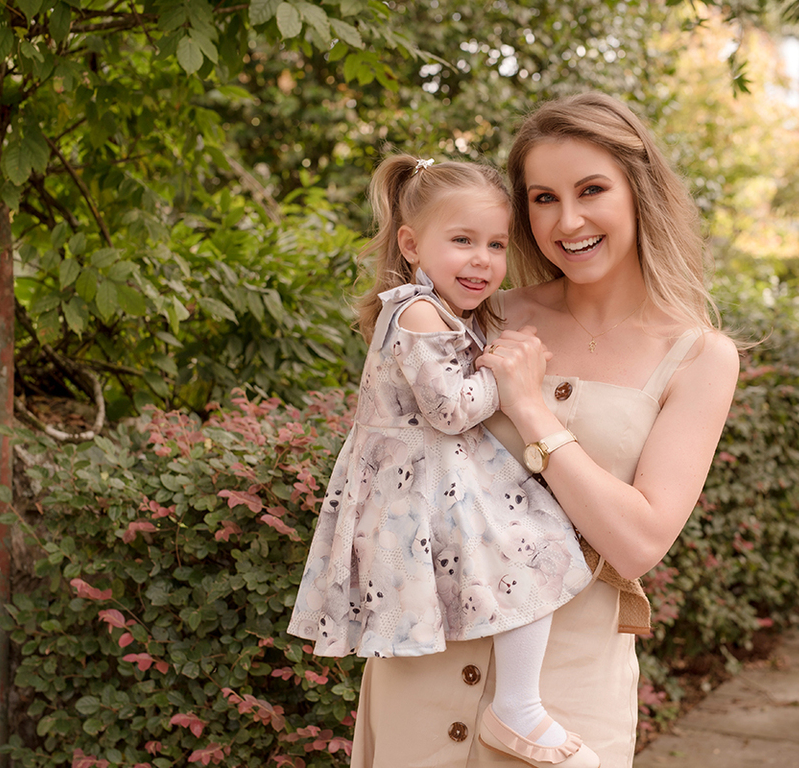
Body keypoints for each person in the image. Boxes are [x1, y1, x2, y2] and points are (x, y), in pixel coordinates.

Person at [348, 92, 740, 768]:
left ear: (639, 191)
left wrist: (531, 409)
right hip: (424, 665)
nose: (569, 220)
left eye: (592, 190)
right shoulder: (475, 313)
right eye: (543, 198)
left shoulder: (699, 356)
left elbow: (639, 541)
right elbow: (391, 446)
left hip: (562, 697)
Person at [287, 155, 601, 767]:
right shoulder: (418, 310)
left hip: (432, 478)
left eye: (495, 244)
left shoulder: (436, 310)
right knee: (533, 547)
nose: (482, 260)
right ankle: (517, 707)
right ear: (411, 244)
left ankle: (515, 704)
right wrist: (515, 378)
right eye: (462, 241)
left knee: (526, 549)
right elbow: (451, 408)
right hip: (420, 483)